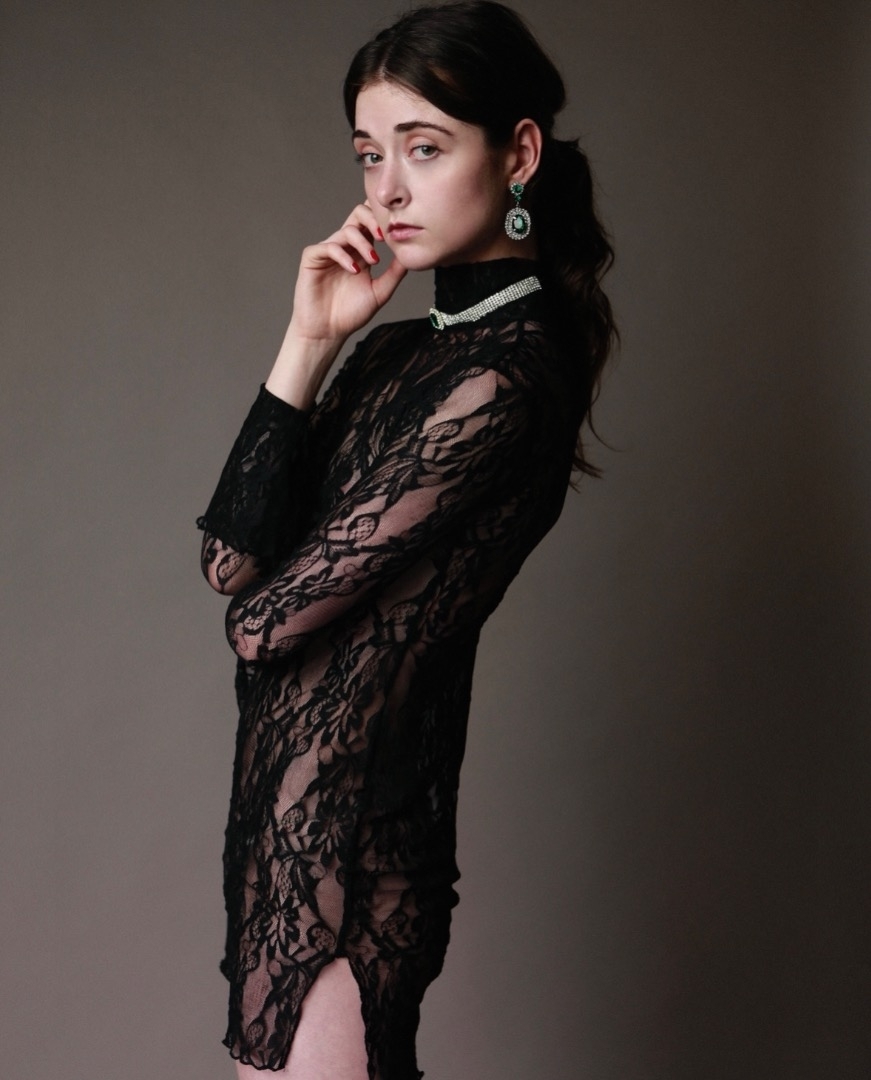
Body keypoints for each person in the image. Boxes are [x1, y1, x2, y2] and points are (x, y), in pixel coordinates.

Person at [197, 3, 616, 1077]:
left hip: (355, 859)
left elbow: (261, 624)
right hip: (283, 840)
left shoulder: (504, 376)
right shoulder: (394, 354)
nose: (385, 189)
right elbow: (229, 561)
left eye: (423, 149)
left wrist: (273, 585)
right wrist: (309, 340)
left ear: (517, 153)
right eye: (369, 153)